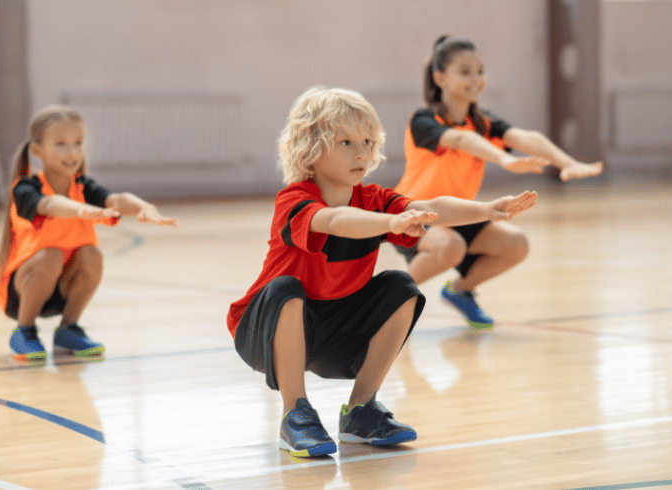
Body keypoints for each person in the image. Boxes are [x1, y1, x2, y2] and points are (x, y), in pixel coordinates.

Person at [227, 86, 538, 457]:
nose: (361, 152)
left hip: (330, 335)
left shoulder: (374, 199)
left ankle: (361, 411)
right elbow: (339, 220)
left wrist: (487, 210)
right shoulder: (294, 200)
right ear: (310, 147)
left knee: (401, 286)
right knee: (285, 289)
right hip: (263, 331)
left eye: (368, 141)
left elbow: (433, 205)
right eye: (345, 142)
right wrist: (391, 222)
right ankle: (296, 414)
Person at [393, 35, 603, 329]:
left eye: (480, 71)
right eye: (465, 71)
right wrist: (504, 160)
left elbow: (525, 138)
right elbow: (461, 140)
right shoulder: (424, 119)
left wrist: (566, 162)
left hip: (457, 215)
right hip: (413, 215)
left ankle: (460, 290)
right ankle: (388, 303)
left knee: (516, 244)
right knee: (450, 247)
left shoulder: (483, 123)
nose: (476, 79)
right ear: (440, 77)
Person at [0, 105, 179, 361]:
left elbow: (116, 199)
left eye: (78, 143)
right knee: (51, 255)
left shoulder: (83, 187)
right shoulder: (25, 187)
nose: (72, 151)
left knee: (91, 255)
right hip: (22, 289)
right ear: (36, 150)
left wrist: (144, 207)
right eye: (61, 144)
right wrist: (81, 210)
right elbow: (50, 204)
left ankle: (68, 329)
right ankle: (24, 331)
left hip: (61, 287)